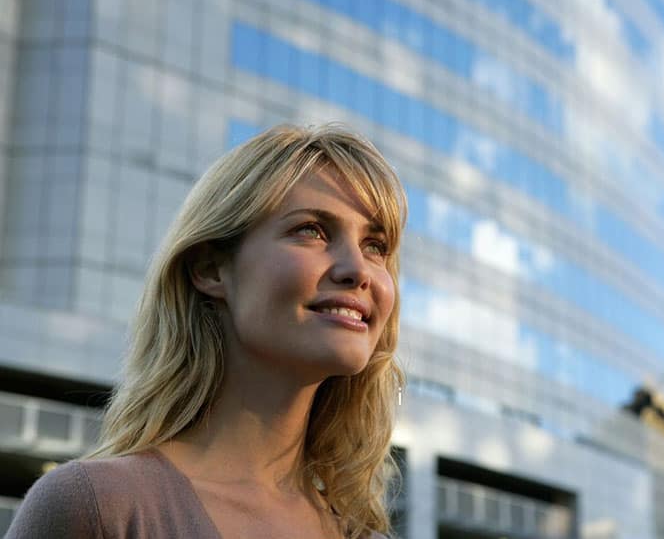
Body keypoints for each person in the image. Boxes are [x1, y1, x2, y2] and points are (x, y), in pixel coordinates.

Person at [7, 124, 407, 539]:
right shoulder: (96, 508)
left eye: (375, 246)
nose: (358, 270)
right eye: (311, 230)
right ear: (210, 268)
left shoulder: (362, 534)